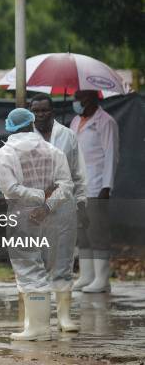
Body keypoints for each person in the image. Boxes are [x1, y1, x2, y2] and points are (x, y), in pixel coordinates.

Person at [0, 108, 73, 341]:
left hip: (23, 217)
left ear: (11, 126)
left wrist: (38, 198)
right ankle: (36, 323)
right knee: (45, 268)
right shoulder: (53, 150)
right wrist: (47, 204)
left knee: (29, 269)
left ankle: (37, 328)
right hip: (53, 215)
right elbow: (66, 186)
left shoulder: (6, 153)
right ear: (31, 124)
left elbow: (10, 189)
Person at [30, 93, 86, 332]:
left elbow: (78, 172)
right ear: (31, 112)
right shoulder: (22, 137)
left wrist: (82, 201)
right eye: (37, 110)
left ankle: (64, 317)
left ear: (53, 111)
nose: (41, 114)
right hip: (34, 207)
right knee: (37, 262)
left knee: (63, 260)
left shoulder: (68, 136)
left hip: (63, 206)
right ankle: (39, 319)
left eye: (45, 110)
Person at [70, 90, 119, 293]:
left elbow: (111, 155)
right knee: (82, 233)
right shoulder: (75, 121)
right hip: (78, 186)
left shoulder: (106, 122)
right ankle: (86, 275)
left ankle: (102, 279)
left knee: (97, 232)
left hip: (97, 186)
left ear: (90, 99)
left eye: (78, 99)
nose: (75, 103)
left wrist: (107, 186)